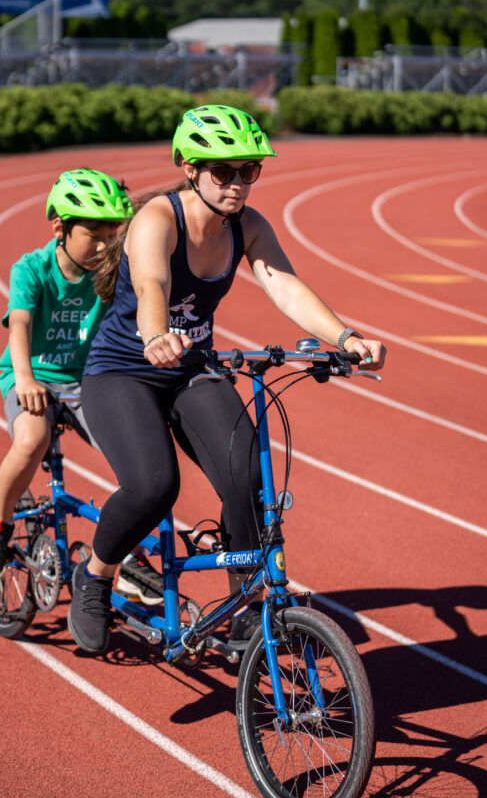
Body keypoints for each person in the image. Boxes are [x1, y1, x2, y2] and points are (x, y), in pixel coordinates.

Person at [68, 104, 387, 655]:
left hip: (191, 369)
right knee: (153, 485)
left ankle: (244, 608)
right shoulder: (158, 219)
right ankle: (94, 577)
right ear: (189, 167)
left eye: (249, 171)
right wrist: (154, 336)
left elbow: (283, 284)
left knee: (249, 478)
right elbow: (150, 285)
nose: (238, 183)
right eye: (224, 171)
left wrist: (345, 338)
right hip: (124, 371)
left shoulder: (249, 226)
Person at [0, 167, 138, 582]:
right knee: (31, 440)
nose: (104, 246)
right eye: (94, 235)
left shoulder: (111, 269)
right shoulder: (32, 269)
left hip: (88, 379)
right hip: (33, 375)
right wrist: (26, 379)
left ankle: (131, 558)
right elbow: (21, 325)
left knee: (137, 456)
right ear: (60, 227)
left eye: (112, 235)